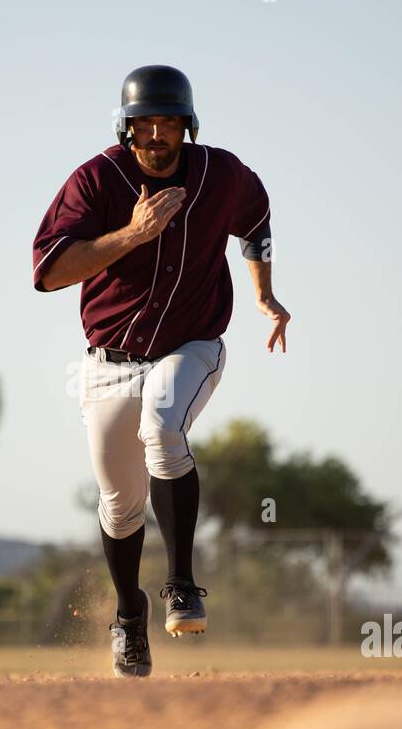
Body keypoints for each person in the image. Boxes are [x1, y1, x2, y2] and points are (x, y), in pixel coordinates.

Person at [32, 65, 291, 677]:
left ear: (187, 127)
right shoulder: (97, 180)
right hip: (108, 363)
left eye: (168, 122)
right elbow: (49, 271)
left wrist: (264, 295)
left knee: (164, 425)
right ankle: (129, 616)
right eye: (144, 123)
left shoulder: (218, 174)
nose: (156, 134)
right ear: (125, 128)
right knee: (120, 505)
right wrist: (134, 233)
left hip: (192, 345)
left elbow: (255, 220)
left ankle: (181, 582)